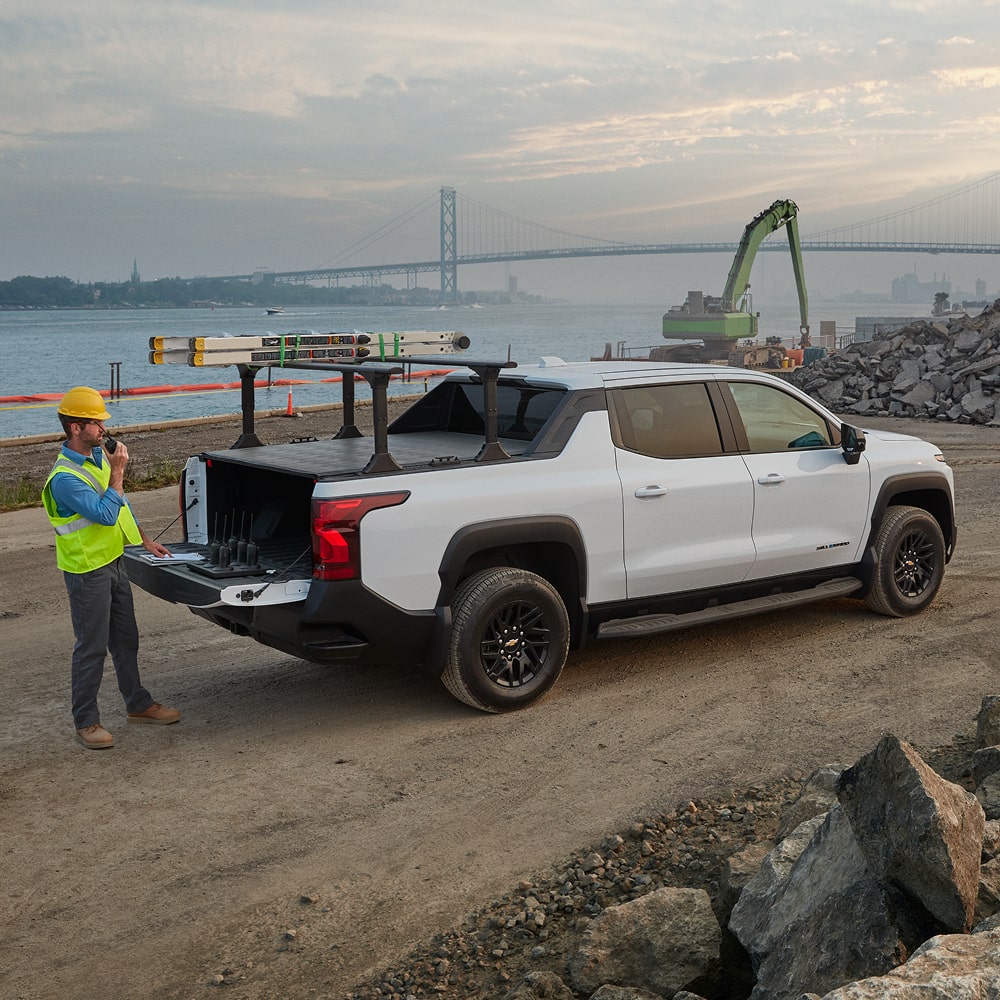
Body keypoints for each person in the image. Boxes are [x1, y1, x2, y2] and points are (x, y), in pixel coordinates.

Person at [42, 386, 181, 749]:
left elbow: (121, 506)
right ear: (76, 428)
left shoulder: (96, 458)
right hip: (86, 570)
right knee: (91, 647)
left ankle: (138, 704)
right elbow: (105, 513)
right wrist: (118, 473)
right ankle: (86, 722)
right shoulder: (65, 478)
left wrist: (144, 540)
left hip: (114, 562)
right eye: (96, 423)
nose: (103, 428)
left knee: (126, 638)